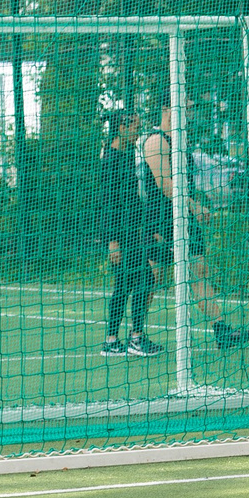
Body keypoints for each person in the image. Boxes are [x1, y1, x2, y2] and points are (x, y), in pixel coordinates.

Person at [138, 103, 247, 353]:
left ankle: (222, 331)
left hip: (185, 217)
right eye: (185, 107)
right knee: (154, 278)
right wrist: (194, 206)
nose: (190, 111)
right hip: (161, 220)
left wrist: (196, 207)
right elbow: (165, 184)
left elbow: (185, 182)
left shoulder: (182, 142)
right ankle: (136, 332)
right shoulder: (156, 141)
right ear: (166, 108)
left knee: (200, 271)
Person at [100, 110, 161, 358]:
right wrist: (112, 241)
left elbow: (132, 201)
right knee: (140, 280)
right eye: (134, 126)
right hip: (121, 236)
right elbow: (107, 203)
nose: (138, 131)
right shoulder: (112, 160)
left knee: (128, 283)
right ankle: (132, 338)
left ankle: (114, 340)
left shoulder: (127, 156)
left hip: (133, 232)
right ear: (122, 129)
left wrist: (145, 230)